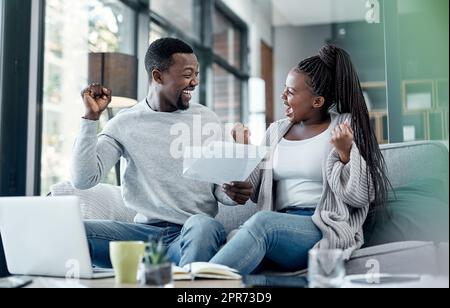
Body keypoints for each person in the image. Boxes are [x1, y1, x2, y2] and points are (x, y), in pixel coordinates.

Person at [71, 38, 253, 268]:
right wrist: (91, 119)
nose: (195, 82)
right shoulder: (124, 122)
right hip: (142, 237)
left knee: (204, 225)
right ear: (158, 76)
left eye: (196, 73)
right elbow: (83, 179)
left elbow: (221, 190)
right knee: (73, 232)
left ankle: (188, 288)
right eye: (188, 74)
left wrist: (233, 194)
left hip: (192, 233)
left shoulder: (207, 120)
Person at [210, 44, 391, 274]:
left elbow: (361, 196)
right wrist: (243, 150)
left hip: (321, 225)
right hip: (280, 224)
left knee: (262, 224)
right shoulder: (276, 131)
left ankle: (190, 287)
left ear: (317, 102)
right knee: (252, 244)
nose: (283, 97)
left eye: (291, 92)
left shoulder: (344, 125)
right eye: (284, 89)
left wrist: (346, 155)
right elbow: (253, 190)